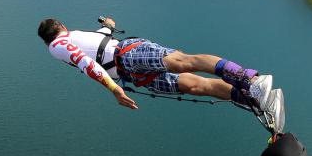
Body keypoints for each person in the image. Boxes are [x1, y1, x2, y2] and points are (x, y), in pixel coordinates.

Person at [37, 17, 283, 125]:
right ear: (61, 26)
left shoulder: (57, 45)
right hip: (130, 73)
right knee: (193, 85)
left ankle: (249, 79)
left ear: (48, 39)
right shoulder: (73, 36)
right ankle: (253, 99)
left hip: (127, 55)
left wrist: (114, 91)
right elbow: (101, 38)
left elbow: (87, 63)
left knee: (182, 61)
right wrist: (108, 26)